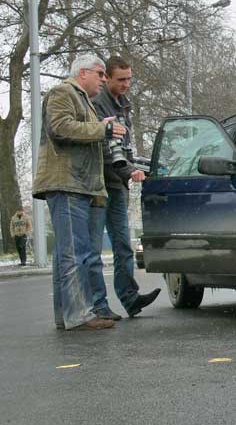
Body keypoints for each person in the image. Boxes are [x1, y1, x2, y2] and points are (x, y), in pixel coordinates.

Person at [32, 54, 126, 331]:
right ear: (83, 73)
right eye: (100, 74)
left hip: (77, 184)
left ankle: (67, 315)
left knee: (67, 253)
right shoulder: (62, 92)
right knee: (75, 252)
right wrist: (103, 128)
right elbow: (60, 128)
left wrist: (103, 127)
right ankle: (79, 314)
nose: (103, 79)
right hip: (67, 183)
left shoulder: (83, 99)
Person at [89, 56, 160, 319]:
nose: (126, 84)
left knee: (122, 245)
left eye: (129, 78)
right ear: (106, 77)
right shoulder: (97, 104)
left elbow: (124, 148)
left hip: (118, 183)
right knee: (94, 249)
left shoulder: (123, 104)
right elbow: (107, 150)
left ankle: (130, 299)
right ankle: (98, 305)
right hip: (100, 184)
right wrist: (131, 171)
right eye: (121, 79)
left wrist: (138, 167)